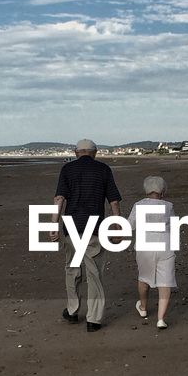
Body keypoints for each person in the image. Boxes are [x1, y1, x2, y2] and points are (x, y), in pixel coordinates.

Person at [51, 140, 122, 332]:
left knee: (72, 269)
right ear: (95, 153)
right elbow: (113, 201)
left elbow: (59, 199)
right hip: (94, 228)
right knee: (94, 273)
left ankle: (73, 310)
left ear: (76, 153)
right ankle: (94, 319)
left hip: (72, 227)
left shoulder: (67, 169)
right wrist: (117, 226)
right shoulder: (103, 169)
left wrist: (53, 224)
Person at [127, 175, 177, 329]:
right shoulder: (168, 206)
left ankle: (143, 307)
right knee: (165, 281)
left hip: (145, 245)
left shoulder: (139, 205)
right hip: (165, 245)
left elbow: (130, 225)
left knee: (144, 278)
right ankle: (161, 318)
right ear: (162, 191)